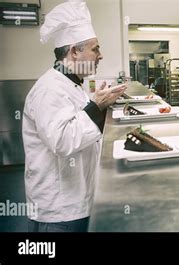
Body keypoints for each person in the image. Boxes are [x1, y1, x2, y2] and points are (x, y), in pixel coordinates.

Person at [22, 0, 126, 232]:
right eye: (95, 49)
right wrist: (97, 106)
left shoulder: (72, 85)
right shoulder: (49, 89)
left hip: (78, 200)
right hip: (59, 210)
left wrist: (101, 105)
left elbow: (80, 125)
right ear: (74, 52)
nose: (100, 55)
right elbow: (62, 141)